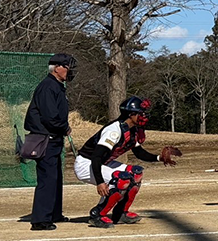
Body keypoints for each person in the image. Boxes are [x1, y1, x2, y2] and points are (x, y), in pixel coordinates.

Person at [74, 96, 182, 228]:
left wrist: (159, 158)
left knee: (135, 173)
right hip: (86, 164)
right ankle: (98, 214)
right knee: (122, 180)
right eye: (141, 113)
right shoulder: (114, 130)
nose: (144, 116)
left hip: (102, 163)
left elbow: (139, 153)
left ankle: (120, 213)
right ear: (131, 114)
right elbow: (96, 156)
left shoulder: (132, 130)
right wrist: (100, 182)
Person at [24, 53, 77, 231]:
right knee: (47, 179)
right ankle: (40, 220)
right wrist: (64, 127)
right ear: (57, 68)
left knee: (55, 178)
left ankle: (54, 214)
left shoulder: (57, 86)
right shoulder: (48, 86)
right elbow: (49, 117)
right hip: (46, 138)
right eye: (68, 67)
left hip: (53, 139)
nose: (70, 71)